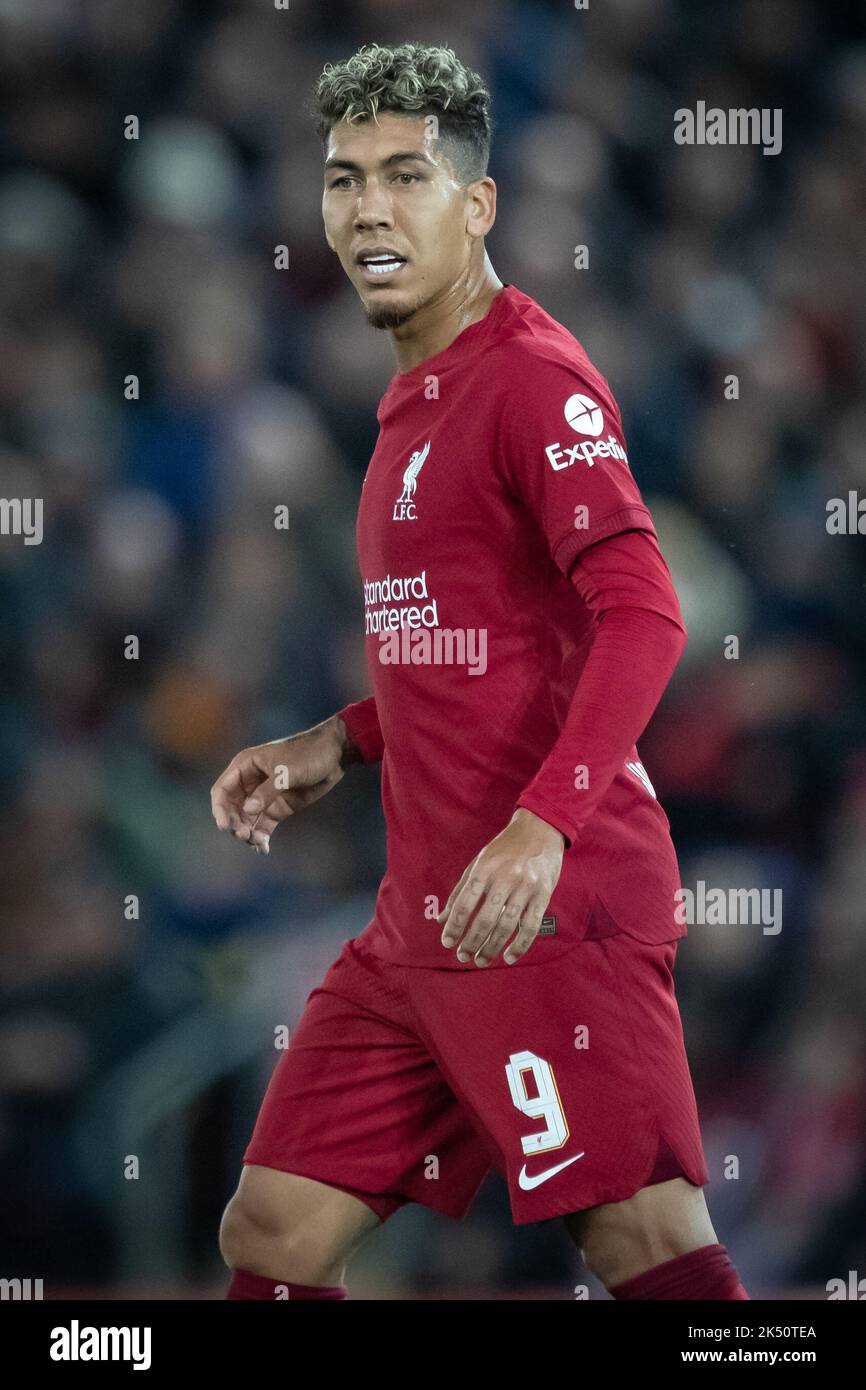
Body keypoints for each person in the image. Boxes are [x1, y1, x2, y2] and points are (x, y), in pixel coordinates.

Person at [212, 41, 749, 1302]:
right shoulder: (412, 396)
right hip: (424, 920)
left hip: (551, 911)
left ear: (477, 202)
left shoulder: (531, 380)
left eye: (405, 175)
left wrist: (541, 827)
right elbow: (476, 646)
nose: (367, 210)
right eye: (344, 180)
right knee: (274, 1233)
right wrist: (337, 742)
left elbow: (645, 614)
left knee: (644, 1246)